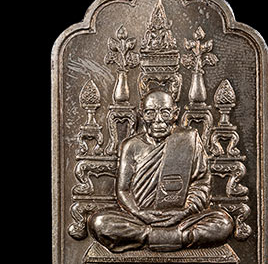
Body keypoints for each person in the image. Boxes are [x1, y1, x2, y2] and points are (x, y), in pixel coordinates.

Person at [88, 90, 233, 252]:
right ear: (142, 115)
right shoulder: (131, 145)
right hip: (141, 219)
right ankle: (175, 237)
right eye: (150, 113)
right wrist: (139, 213)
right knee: (100, 223)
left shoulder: (188, 140)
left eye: (165, 113)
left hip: (182, 219)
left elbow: (201, 184)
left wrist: (185, 212)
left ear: (175, 114)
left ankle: (150, 237)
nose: (158, 120)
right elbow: (123, 190)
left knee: (223, 223)